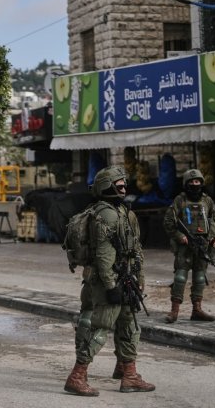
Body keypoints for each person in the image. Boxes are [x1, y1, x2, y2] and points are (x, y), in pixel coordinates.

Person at [64, 166, 155, 396]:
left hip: (125, 279)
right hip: (110, 281)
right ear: (107, 186)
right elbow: (104, 256)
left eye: (125, 184)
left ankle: (130, 376)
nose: (124, 187)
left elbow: (136, 248)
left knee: (130, 326)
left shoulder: (123, 212)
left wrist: (139, 277)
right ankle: (77, 375)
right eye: (119, 184)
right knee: (101, 327)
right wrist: (111, 286)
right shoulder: (106, 214)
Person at [162, 169, 215, 323]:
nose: (195, 184)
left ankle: (197, 309)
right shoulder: (180, 200)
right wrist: (179, 236)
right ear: (186, 184)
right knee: (180, 277)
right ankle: (174, 311)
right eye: (192, 182)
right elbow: (169, 221)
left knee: (200, 277)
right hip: (185, 246)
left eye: (198, 182)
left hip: (203, 245)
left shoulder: (207, 201)